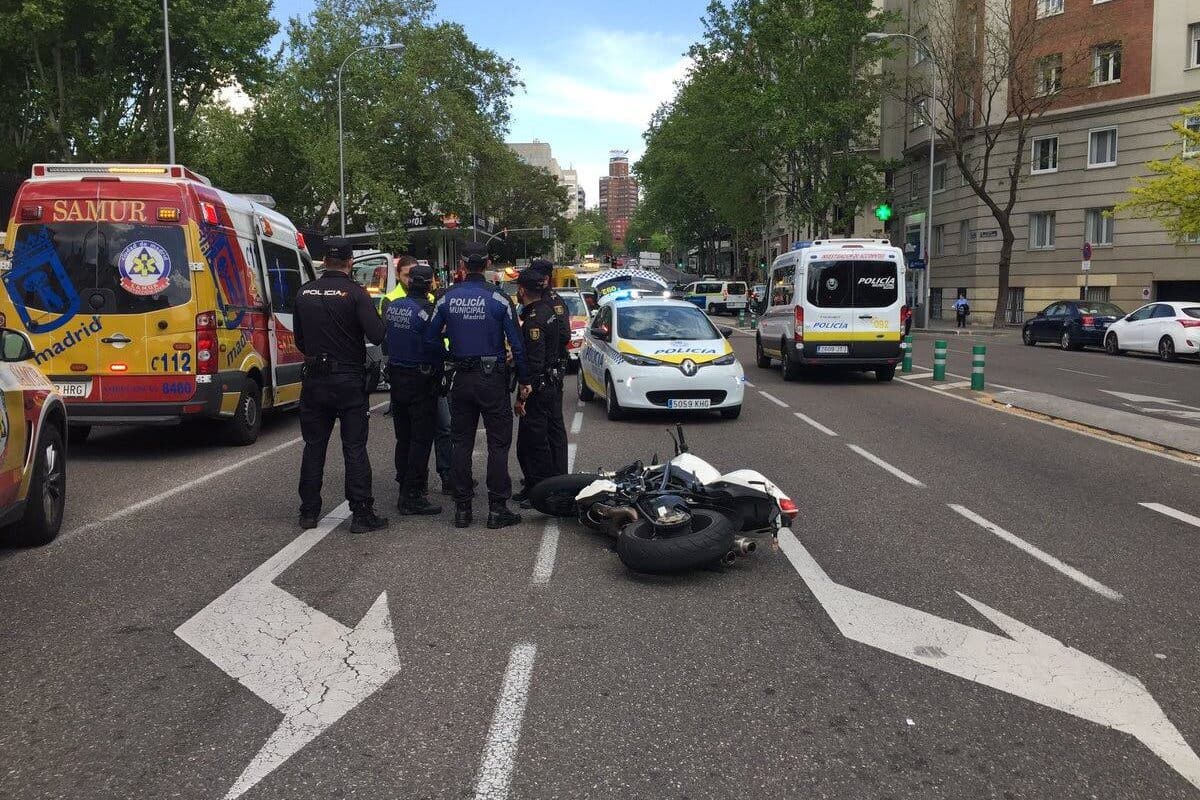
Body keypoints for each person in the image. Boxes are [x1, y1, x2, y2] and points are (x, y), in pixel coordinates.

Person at [425, 241, 531, 530]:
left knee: (461, 442)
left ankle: (462, 509)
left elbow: (429, 338)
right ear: (486, 264)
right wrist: (524, 380)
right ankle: (497, 509)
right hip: (492, 378)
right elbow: (518, 345)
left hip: (462, 378)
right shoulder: (498, 299)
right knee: (498, 444)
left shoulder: (446, 299)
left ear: (461, 264)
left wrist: (450, 357)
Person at [293, 237, 388, 534]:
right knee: (354, 447)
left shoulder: (304, 292)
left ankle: (309, 511)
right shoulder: (355, 293)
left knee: (314, 446)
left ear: (324, 261)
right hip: (348, 379)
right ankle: (361, 514)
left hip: (315, 380)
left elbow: (299, 341)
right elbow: (377, 334)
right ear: (349, 262)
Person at [383, 256, 454, 494]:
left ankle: (404, 483)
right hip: (421, 381)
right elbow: (434, 344)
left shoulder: (392, 306)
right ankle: (414, 494)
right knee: (421, 439)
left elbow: (384, 339)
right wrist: (448, 356)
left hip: (397, 379)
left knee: (404, 438)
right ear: (431, 284)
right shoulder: (428, 311)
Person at [513, 269, 565, 506]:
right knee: (536, 439)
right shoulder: (548, 310)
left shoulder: (534, 319)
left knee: (535, 442)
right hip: (550, 384)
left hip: (540, 387)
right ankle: (539, 485)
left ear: (522, 290)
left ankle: (541, 492)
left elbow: (535, 361)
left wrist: (523, 395)